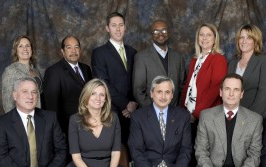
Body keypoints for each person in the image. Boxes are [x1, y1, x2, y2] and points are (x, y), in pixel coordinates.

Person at [91, 12, 137, 143]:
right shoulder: (99, 53)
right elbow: (103, 84)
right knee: (116, 149)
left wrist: (133, 103)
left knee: (133, 148)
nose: (118, 29)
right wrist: (125, 104)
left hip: (133, 111)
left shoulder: (133, 52)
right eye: (114, 25)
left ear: (125, 27)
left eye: (121, 25)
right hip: (112, 111)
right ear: (107, 28)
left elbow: (137, 81)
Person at [44, 35, 93, 135]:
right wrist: (58, 133)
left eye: (76, 47)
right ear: (62, 51)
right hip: (68, 129)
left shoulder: (86, 69)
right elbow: (52, 107)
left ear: (80, 49)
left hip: (89, 125)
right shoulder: (54, 72)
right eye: (69, 47)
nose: (73, 51)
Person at [181, 23, 228, 126]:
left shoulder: (219, 59)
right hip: (188, 113)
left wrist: (197, 113)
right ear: (198, 38)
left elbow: (215, 90)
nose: (204, 38)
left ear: (215, 39)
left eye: (209, 35)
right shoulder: (195, 60)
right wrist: (182, 110)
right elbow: (188, 86)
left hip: (207, 115)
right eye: (201, 34)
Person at [133, 20, 186, 107]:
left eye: (164, 30)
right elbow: (138, 90)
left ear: (168, 33)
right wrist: (153, 111)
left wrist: (178, 109)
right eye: (156, 31)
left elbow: (183, 86)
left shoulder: (178, 57)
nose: (161, 34)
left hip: (174, 112)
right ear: (151, 34)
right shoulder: (141, 57)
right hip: (151, 113)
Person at [228, 24, 266, 118]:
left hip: (258, 116)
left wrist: (250, 116)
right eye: (241, 37)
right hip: (235, 115)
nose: (244, 41)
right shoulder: (232, 63)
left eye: (249, 38)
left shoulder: (265, 60)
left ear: (255, 41)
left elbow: (264, 93)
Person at [1, 35, 43, 113]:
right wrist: (15, 122)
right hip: (20, 118)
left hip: (37, 115)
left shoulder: (35, 71)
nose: (25, 49)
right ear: (16, 50)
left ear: (31, 49)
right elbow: (7, 102)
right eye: (20, 46)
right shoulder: (10, 71)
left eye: (28, 46)